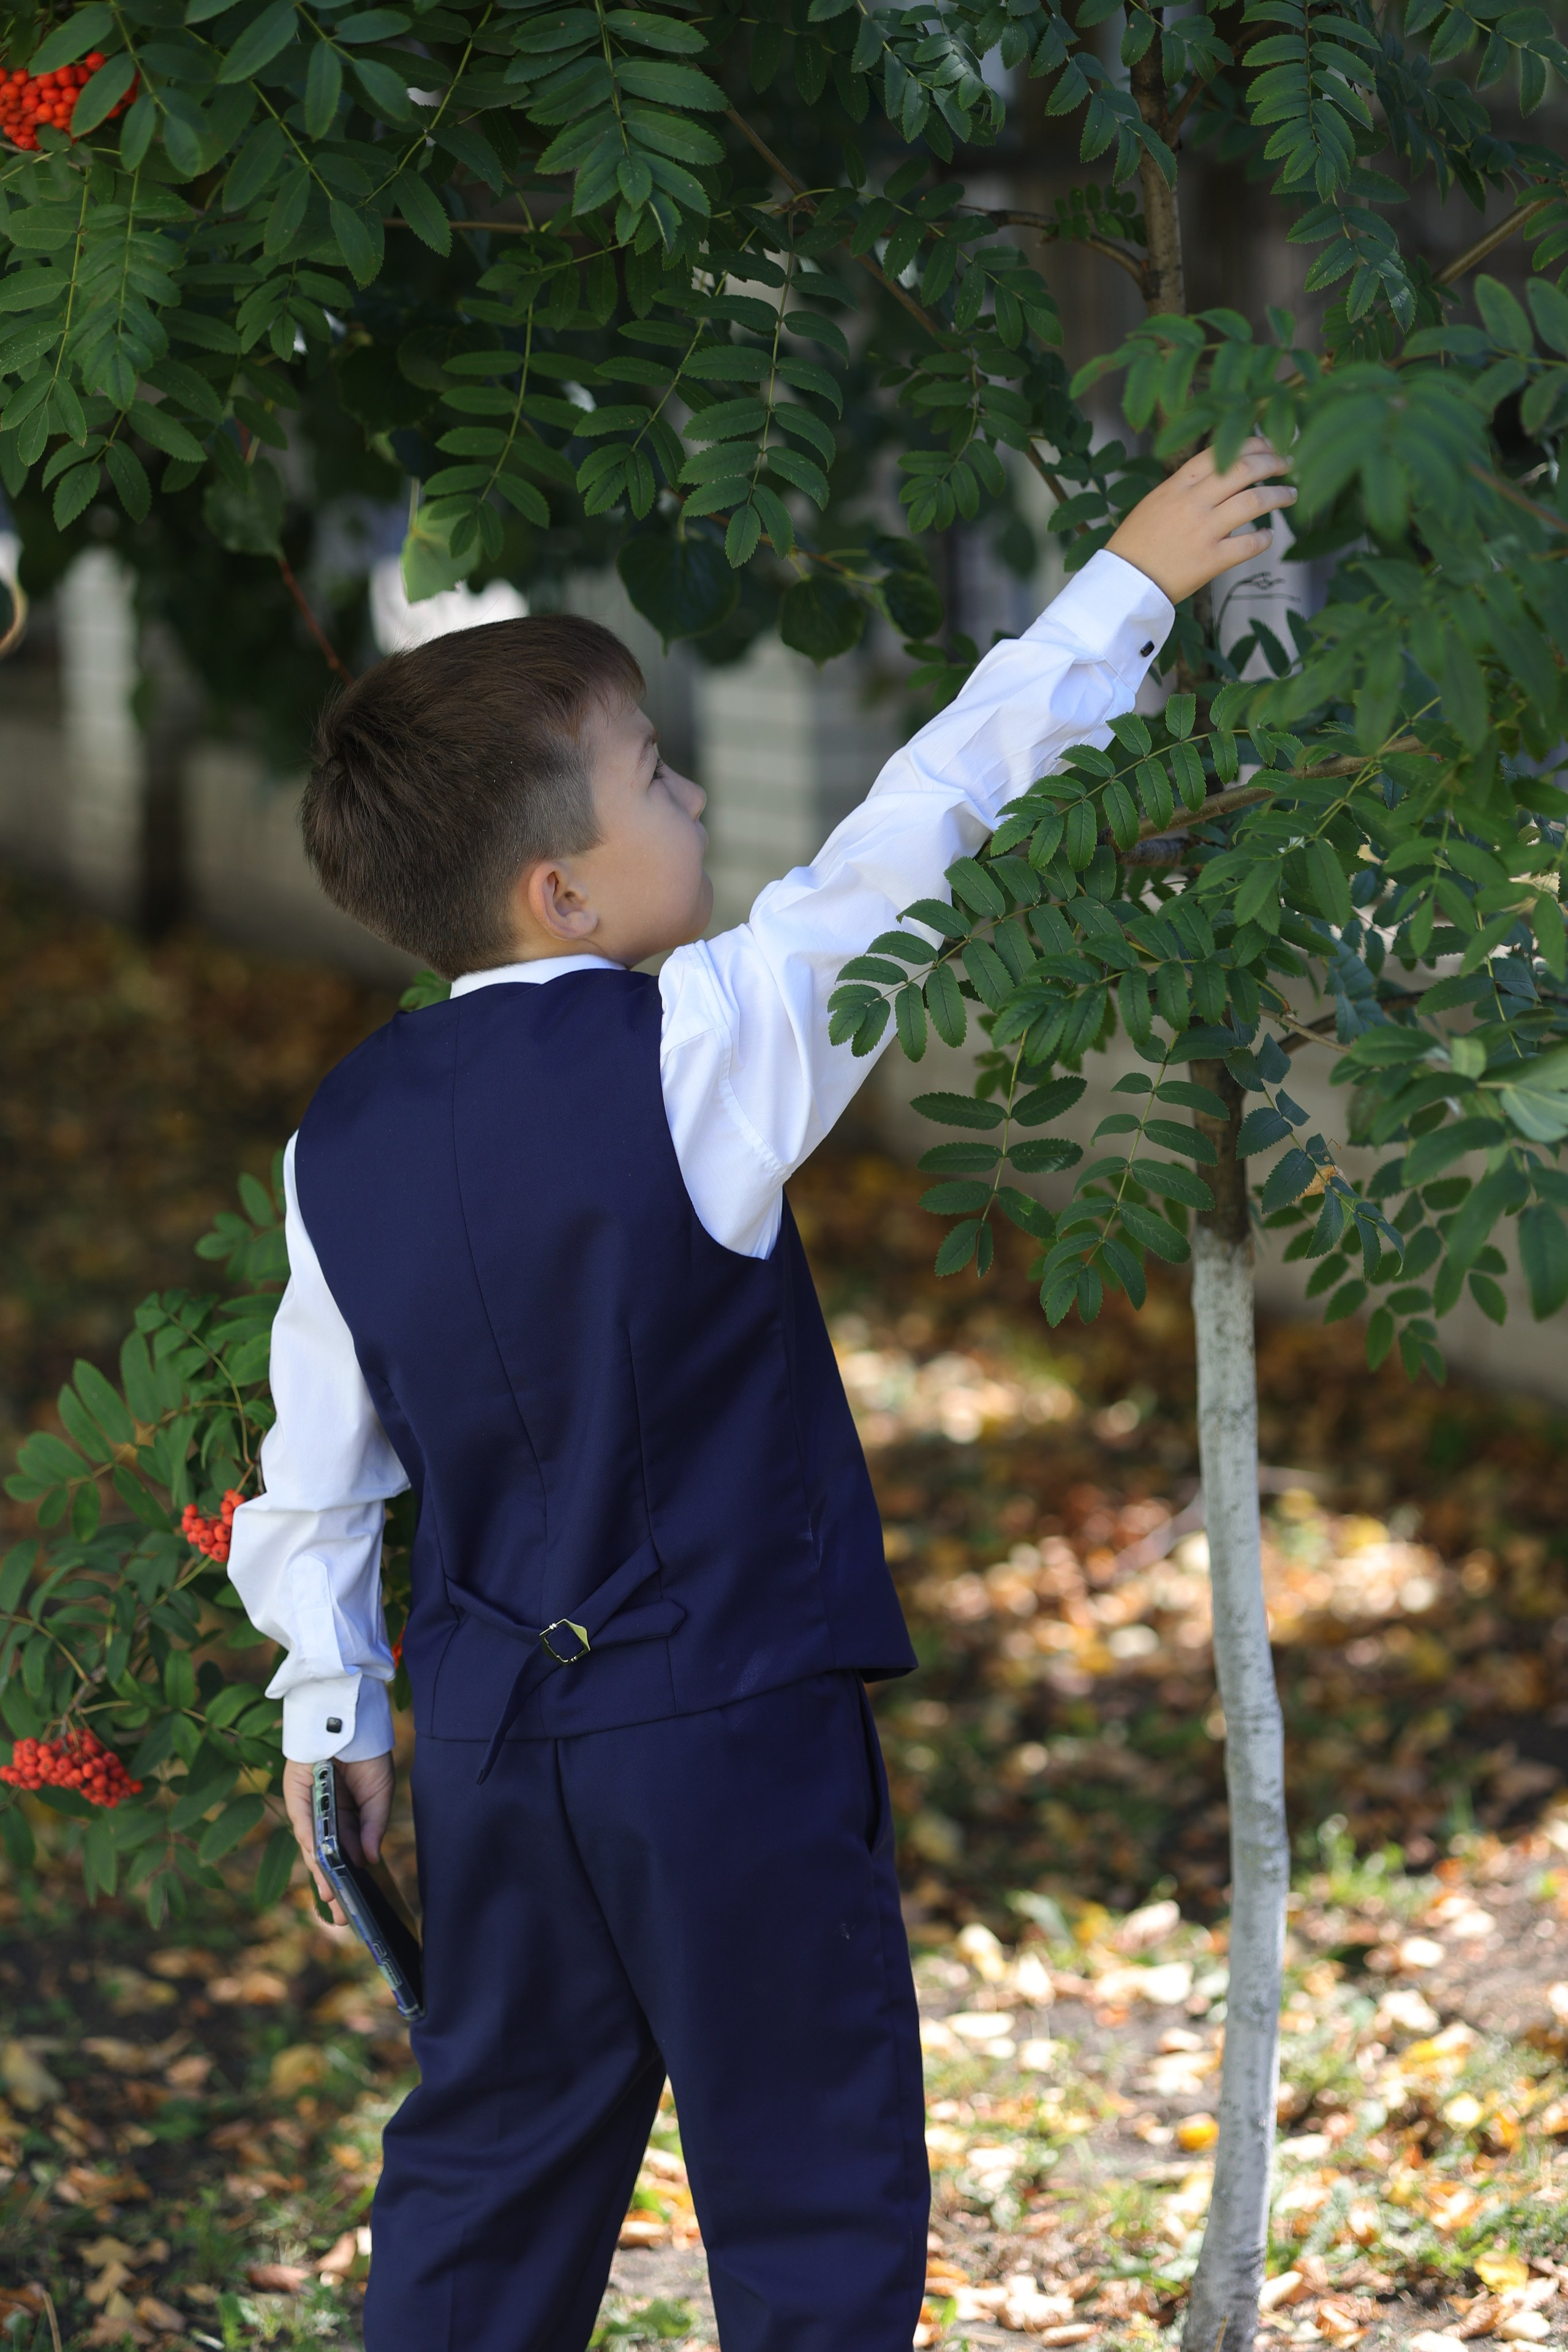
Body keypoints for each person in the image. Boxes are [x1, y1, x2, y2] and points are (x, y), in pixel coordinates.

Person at [227, 440, 1294, 2352]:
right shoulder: (706, 1044)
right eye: (658, 772)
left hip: (485, 1752)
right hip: (719, 1734)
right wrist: (1127, 583)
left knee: (485, 2178)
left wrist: (339, 1722)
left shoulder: (344, 1131)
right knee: (809, 2179)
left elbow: (313, 1483)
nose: (698, 788)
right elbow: (925, 819)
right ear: (561, 888)